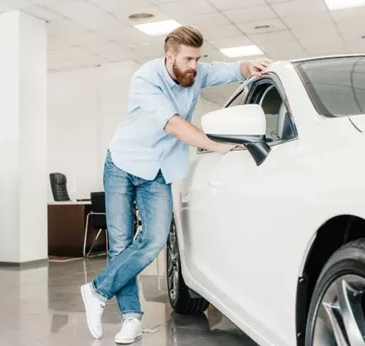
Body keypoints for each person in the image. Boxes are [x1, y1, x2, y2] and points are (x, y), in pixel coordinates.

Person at [80, 26, 271, 344]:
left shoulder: (195, 72)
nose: (195, 65)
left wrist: (246, 66)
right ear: (170, 56)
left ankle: (96, 290)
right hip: (123, 163)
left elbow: (225, 70)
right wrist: (215, 145)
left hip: (158, 170)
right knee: (121, 244)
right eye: (188, 59)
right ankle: (131, 318)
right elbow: (173, 124)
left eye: (198, 58)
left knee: (154, 240)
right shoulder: (145, 78)